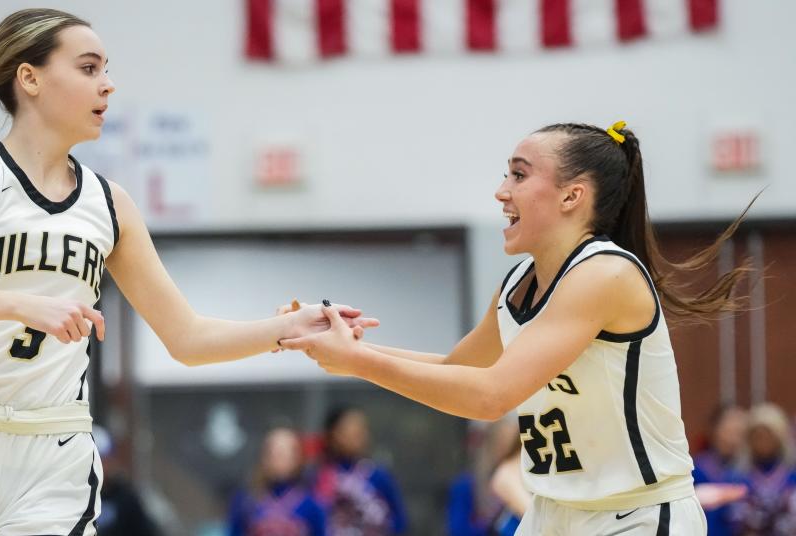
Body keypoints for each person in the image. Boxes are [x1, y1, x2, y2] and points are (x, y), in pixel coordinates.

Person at [0, 9, 377, 535]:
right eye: (89, 68)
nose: (107, 85)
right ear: (30, 77)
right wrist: (18, 303)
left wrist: (287, 329)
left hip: (52, 448)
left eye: (105, 70)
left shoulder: (110, 204)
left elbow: (188, 338)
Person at [282, 121, 757, 534]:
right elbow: (457, 368)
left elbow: (490, 396)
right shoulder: (518, 284)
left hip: (635, 515)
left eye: (519, 173)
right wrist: (348, 351)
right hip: (553, 512)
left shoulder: (604, 274)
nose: (501, 190)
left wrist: (359, 362)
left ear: (573, 195)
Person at [311, 407, 407, 535]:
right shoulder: (320, 476)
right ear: (335, 434)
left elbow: (400, 520)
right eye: (353, 431)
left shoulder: (377, 475)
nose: (361, 436)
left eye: (362, 431)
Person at [228, 427, 326, 536]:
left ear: (298, 459)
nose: (279, 458)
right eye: (273, 452)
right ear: (263, 457)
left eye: (286, 453)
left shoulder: (312, 503)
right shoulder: (246, 499)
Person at [729, 403, 796, 535]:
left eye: (768, 435)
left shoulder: (792, 475)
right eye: (758, 436)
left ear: (779, 437)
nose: (763, 442)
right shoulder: (736, 476)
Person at [692, 405, 749, 536]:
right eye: (729, 431)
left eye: (739, 432)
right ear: (713, 430)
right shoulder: (696, 469)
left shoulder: (749, 472)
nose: (733, 438)